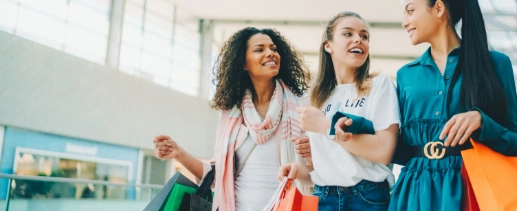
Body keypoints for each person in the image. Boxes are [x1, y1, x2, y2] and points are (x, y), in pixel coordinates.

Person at [153, 27, 310, 211]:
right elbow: (217, 177)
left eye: (274, 49)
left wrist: (312, 153)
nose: (270, 53)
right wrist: (179, 153)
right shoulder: (231, 114)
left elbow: (316, 172)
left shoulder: (299, 107)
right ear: (243, 63)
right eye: (260, 49)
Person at [389, 0, 517, 210]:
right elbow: (399, 147)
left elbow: (514, 144)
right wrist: (363, 127)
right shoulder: (406, 75)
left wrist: (481, 121)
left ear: (439, 8)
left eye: (410, 10)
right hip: (415, 193)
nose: (405, 21)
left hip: (471, 190)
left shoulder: (496, 64)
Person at [278, 11, 400, 211]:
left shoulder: (379, 85)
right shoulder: (317, 97)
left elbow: (384, 151)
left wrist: (326, 126)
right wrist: (300, 171)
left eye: (364, 36)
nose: (358, 40)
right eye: (348, 34)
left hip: (367, 199)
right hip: (324, 197)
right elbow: (326, 169)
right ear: (328, 45)